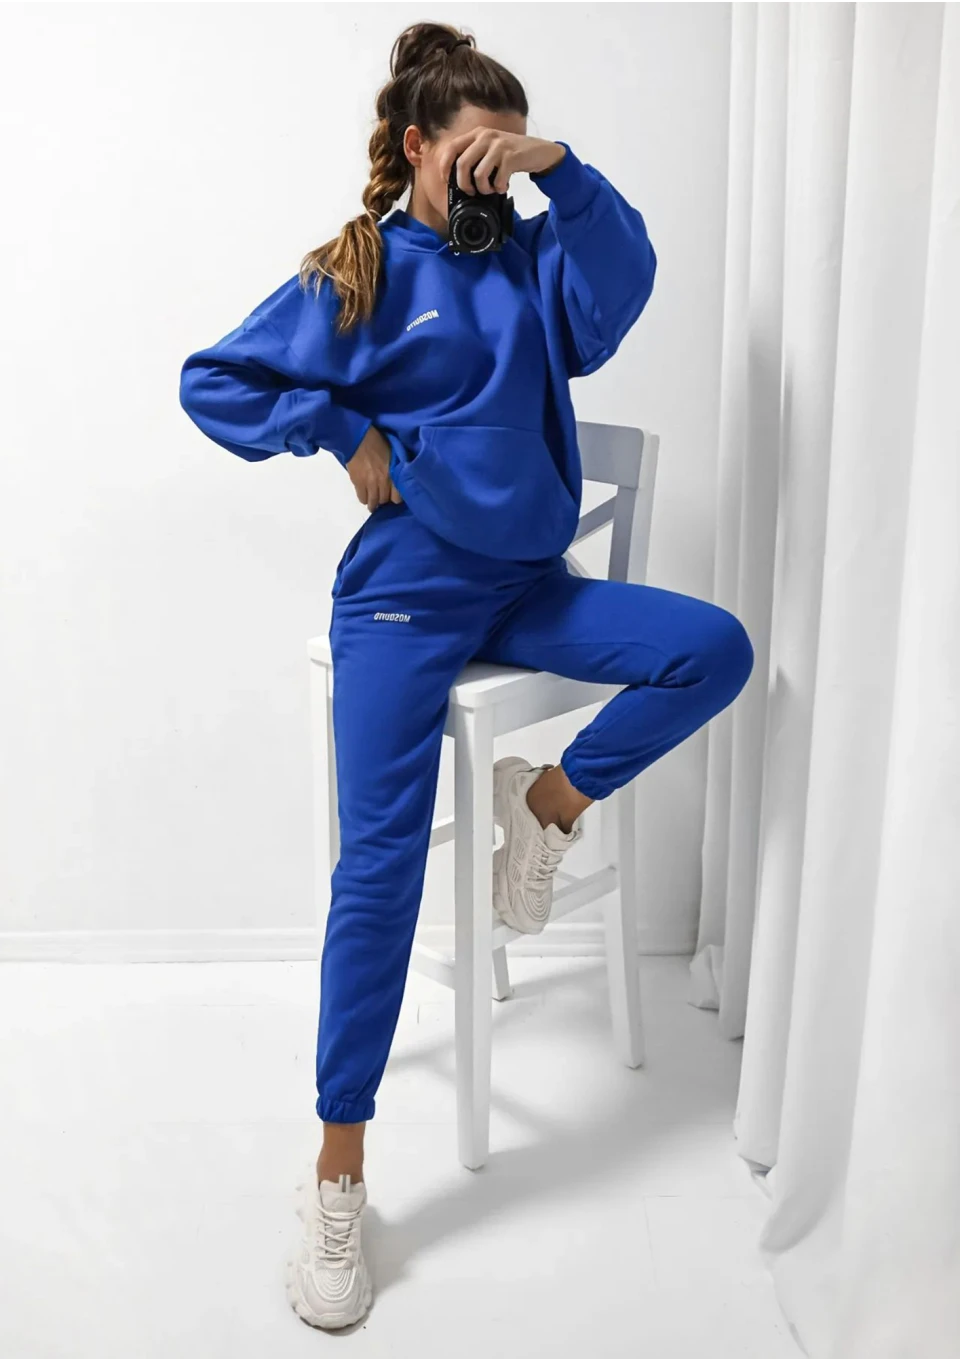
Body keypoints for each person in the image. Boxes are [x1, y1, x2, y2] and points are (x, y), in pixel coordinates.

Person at [179, 21, 754, 1331]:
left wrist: (563, 168)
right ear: (415, 146)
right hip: (403, 597)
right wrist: (337, 425)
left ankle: (544, 805)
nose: (491, 170)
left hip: (531, 586)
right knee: (380, 870)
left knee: (712, 647)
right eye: (473, 149)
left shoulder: (539, 259)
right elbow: (212, 382)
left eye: (510, 148)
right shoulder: (362, 273)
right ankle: (339, 1174)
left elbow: (627, 283)